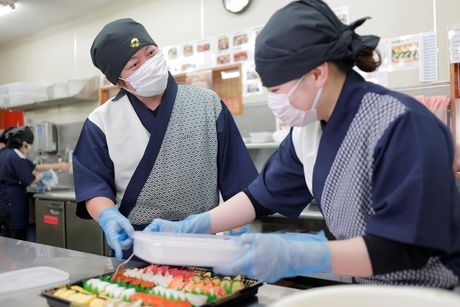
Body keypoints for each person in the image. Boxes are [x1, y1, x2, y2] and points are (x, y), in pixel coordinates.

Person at [146, 0, 460, 288]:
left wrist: (302, 253)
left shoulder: (400, 123)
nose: (274, 101)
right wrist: (196, 225)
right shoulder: (309, 130)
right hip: (371, 288)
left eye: (278, 88)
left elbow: (404, 247)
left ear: (318, 73)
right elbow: (260, 196)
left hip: (434, 290)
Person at [73, 18, 257, 260]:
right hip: (137, 248)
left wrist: (235, 228)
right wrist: (108, 216)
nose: (149, 64)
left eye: (151, 53)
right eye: (134, 64)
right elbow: (93, 185)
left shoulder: (207, 104)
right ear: (117, 81)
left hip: (202, 243)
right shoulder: (101, 121)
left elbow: (239, 181)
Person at [0, 126, 69, 240]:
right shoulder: (16, 157)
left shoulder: (6, 153)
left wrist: (59, 166)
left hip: (4, 203)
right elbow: (29, 180)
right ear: (24, 144)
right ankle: (18, 257)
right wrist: (44, 176)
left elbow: (35, 167)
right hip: (13, 203)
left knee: (6, 238)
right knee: (17, 238)